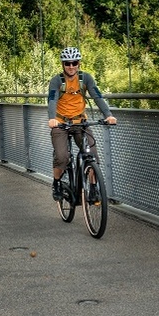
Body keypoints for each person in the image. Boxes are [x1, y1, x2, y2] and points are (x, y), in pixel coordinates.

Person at [47, 46, 117, 201]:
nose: (71, 66)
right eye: (67, 63)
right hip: (60, 123)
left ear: (79, 63)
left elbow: (97, 96)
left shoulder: (86, 78)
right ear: (63, 64)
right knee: (62, 157)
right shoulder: (56, 80)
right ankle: (57, 183)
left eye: (74, 62)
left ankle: (92, 188)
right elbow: (52, 99)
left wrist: (109, 115)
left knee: (92, 155)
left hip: (80, 122)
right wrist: (52, 119)